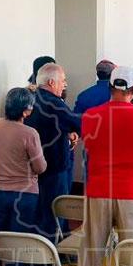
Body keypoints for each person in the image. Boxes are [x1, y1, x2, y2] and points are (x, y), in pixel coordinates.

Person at [80, 66, 133, 266]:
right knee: (131, 250)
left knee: (92, 248)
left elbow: (88, 146)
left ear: (110, 87)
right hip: (132, 190)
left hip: (99, 188)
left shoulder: (91, 115)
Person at [25, 63, 82, 240]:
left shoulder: (30, 98)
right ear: (51, 82)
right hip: (54, 167)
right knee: (55, 213)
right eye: (62, 80)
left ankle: (39, 248)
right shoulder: (55, 103)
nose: (65, 84)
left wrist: (68, 132)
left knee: (38, 214)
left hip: (31, 167)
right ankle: (53, 250)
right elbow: (78, 123)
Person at [0, 88, 47, 233]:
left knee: (0, 234)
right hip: (25, 193)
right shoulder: (30, 133)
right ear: (26, 111)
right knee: (20, 237)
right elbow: (40, 167)